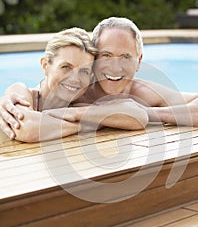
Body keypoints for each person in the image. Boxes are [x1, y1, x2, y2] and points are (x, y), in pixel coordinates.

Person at [0, 17, 198, 141]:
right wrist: (112, 117)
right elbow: (27, 125)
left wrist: (149, 115)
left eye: (125, 57)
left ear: (139, 61)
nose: (115, 67)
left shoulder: (141, 92)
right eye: (106, 56)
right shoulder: (74, 87)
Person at [0, 26, 148, 142]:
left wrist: (75, 114)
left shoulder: (79, 104)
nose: (75, 79)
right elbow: (26, 128)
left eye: (84, 71)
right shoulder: (21, 91)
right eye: (66, 67)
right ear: (45, 65)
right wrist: (88, 124)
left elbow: (138, 116)